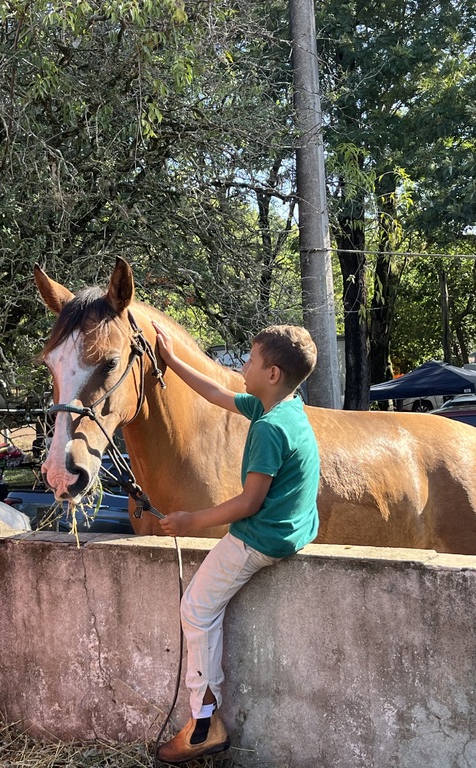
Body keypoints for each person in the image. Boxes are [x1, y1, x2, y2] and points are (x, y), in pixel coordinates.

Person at [150, 322, 321, 765]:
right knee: (202, 605)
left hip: (261, 539)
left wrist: (190, 521)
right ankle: (204, 718)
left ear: (272, 374)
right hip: (291, 530)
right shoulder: (285, 407)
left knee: (196, 608)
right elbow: (215, 394)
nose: (241, 366)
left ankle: (203, 724)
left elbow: (248, 503)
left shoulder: (268, 429)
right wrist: (172, 361)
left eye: (250, 359)